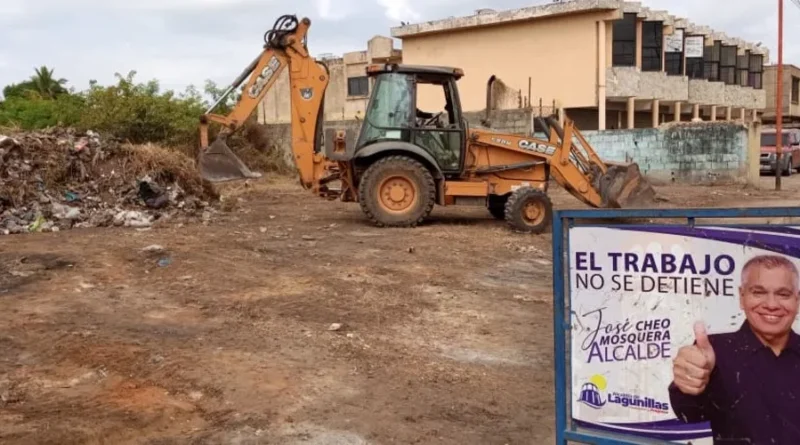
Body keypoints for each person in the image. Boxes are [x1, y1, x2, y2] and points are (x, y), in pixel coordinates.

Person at [669, 254, 800, 444]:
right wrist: (687, 384)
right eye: (758, 292)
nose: (771, 304)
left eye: (783, 294)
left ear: (797, 300)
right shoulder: (714, 352)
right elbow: (689, 413)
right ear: (742, 297)